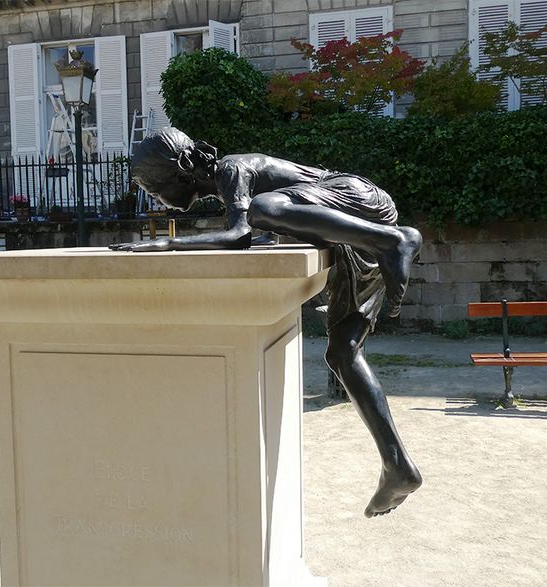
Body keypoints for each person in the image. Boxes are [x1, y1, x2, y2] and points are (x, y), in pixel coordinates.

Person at [111, 128, 423, 517]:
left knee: (263, 208)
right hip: (352, 231)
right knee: (343, 353)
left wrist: (168, 244)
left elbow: (239, 234)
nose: (154, 197)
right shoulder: (228, 186)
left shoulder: (231, 168)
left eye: (153, 187)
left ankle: (394, 240)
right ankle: (397, 465)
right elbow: (267, 231)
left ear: (180, 170)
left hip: (357, 200)